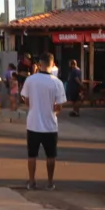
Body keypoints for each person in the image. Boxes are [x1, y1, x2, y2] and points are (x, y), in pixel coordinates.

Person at [20, 52, 67, 191]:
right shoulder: (57, 83)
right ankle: (50, 182)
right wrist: (53, 111)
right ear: (52, 64)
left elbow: (26, 100)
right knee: (51, 155)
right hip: (50, 125)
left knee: (32, 155)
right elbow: (59, 106)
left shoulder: (30, 80)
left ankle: (32, 181)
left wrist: (36, 107)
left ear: (40, 64)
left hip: (33, 123)